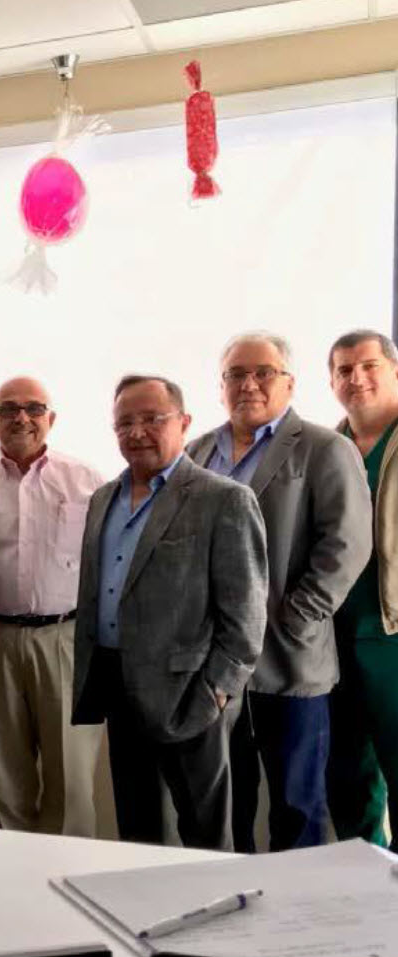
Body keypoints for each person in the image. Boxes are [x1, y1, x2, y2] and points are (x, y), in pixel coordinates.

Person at [186, 333, 370, 851]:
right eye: (235, 375)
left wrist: (297, 616)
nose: (248, 384)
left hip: (290, 660)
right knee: (229, 803)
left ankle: (296, 923)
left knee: (296, 805)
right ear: (220, 387)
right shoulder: (200, 451)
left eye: (263, 372)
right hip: (217, 664)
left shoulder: (323, 448)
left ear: (289, 381)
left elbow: (348, 542)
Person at [72, 375, 266, 851]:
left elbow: (245, 617)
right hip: (119, 686)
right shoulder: (103, 499)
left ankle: (217, 924)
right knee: (137, 833)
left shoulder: (223, 499)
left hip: (191, 694)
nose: (136, 432)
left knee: (205, 837)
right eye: (124, 423)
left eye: (151, 420)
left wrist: (216, 691)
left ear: (184, 422)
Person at [0, 377, 107, 837]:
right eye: (8, 410)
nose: (21, 418)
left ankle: (68, 887)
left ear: (52, 418)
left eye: (33, 408)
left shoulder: (87, 480)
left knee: (71, 781)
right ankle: (13, 889)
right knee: (4, 780)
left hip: (66, 641)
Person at [327, 329, 398, 848]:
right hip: (333, 635)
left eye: (369, 365)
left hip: (392, 632)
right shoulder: (327, 449)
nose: (357, 378)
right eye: (344, 370)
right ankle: (363, 879)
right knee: (347, 772)